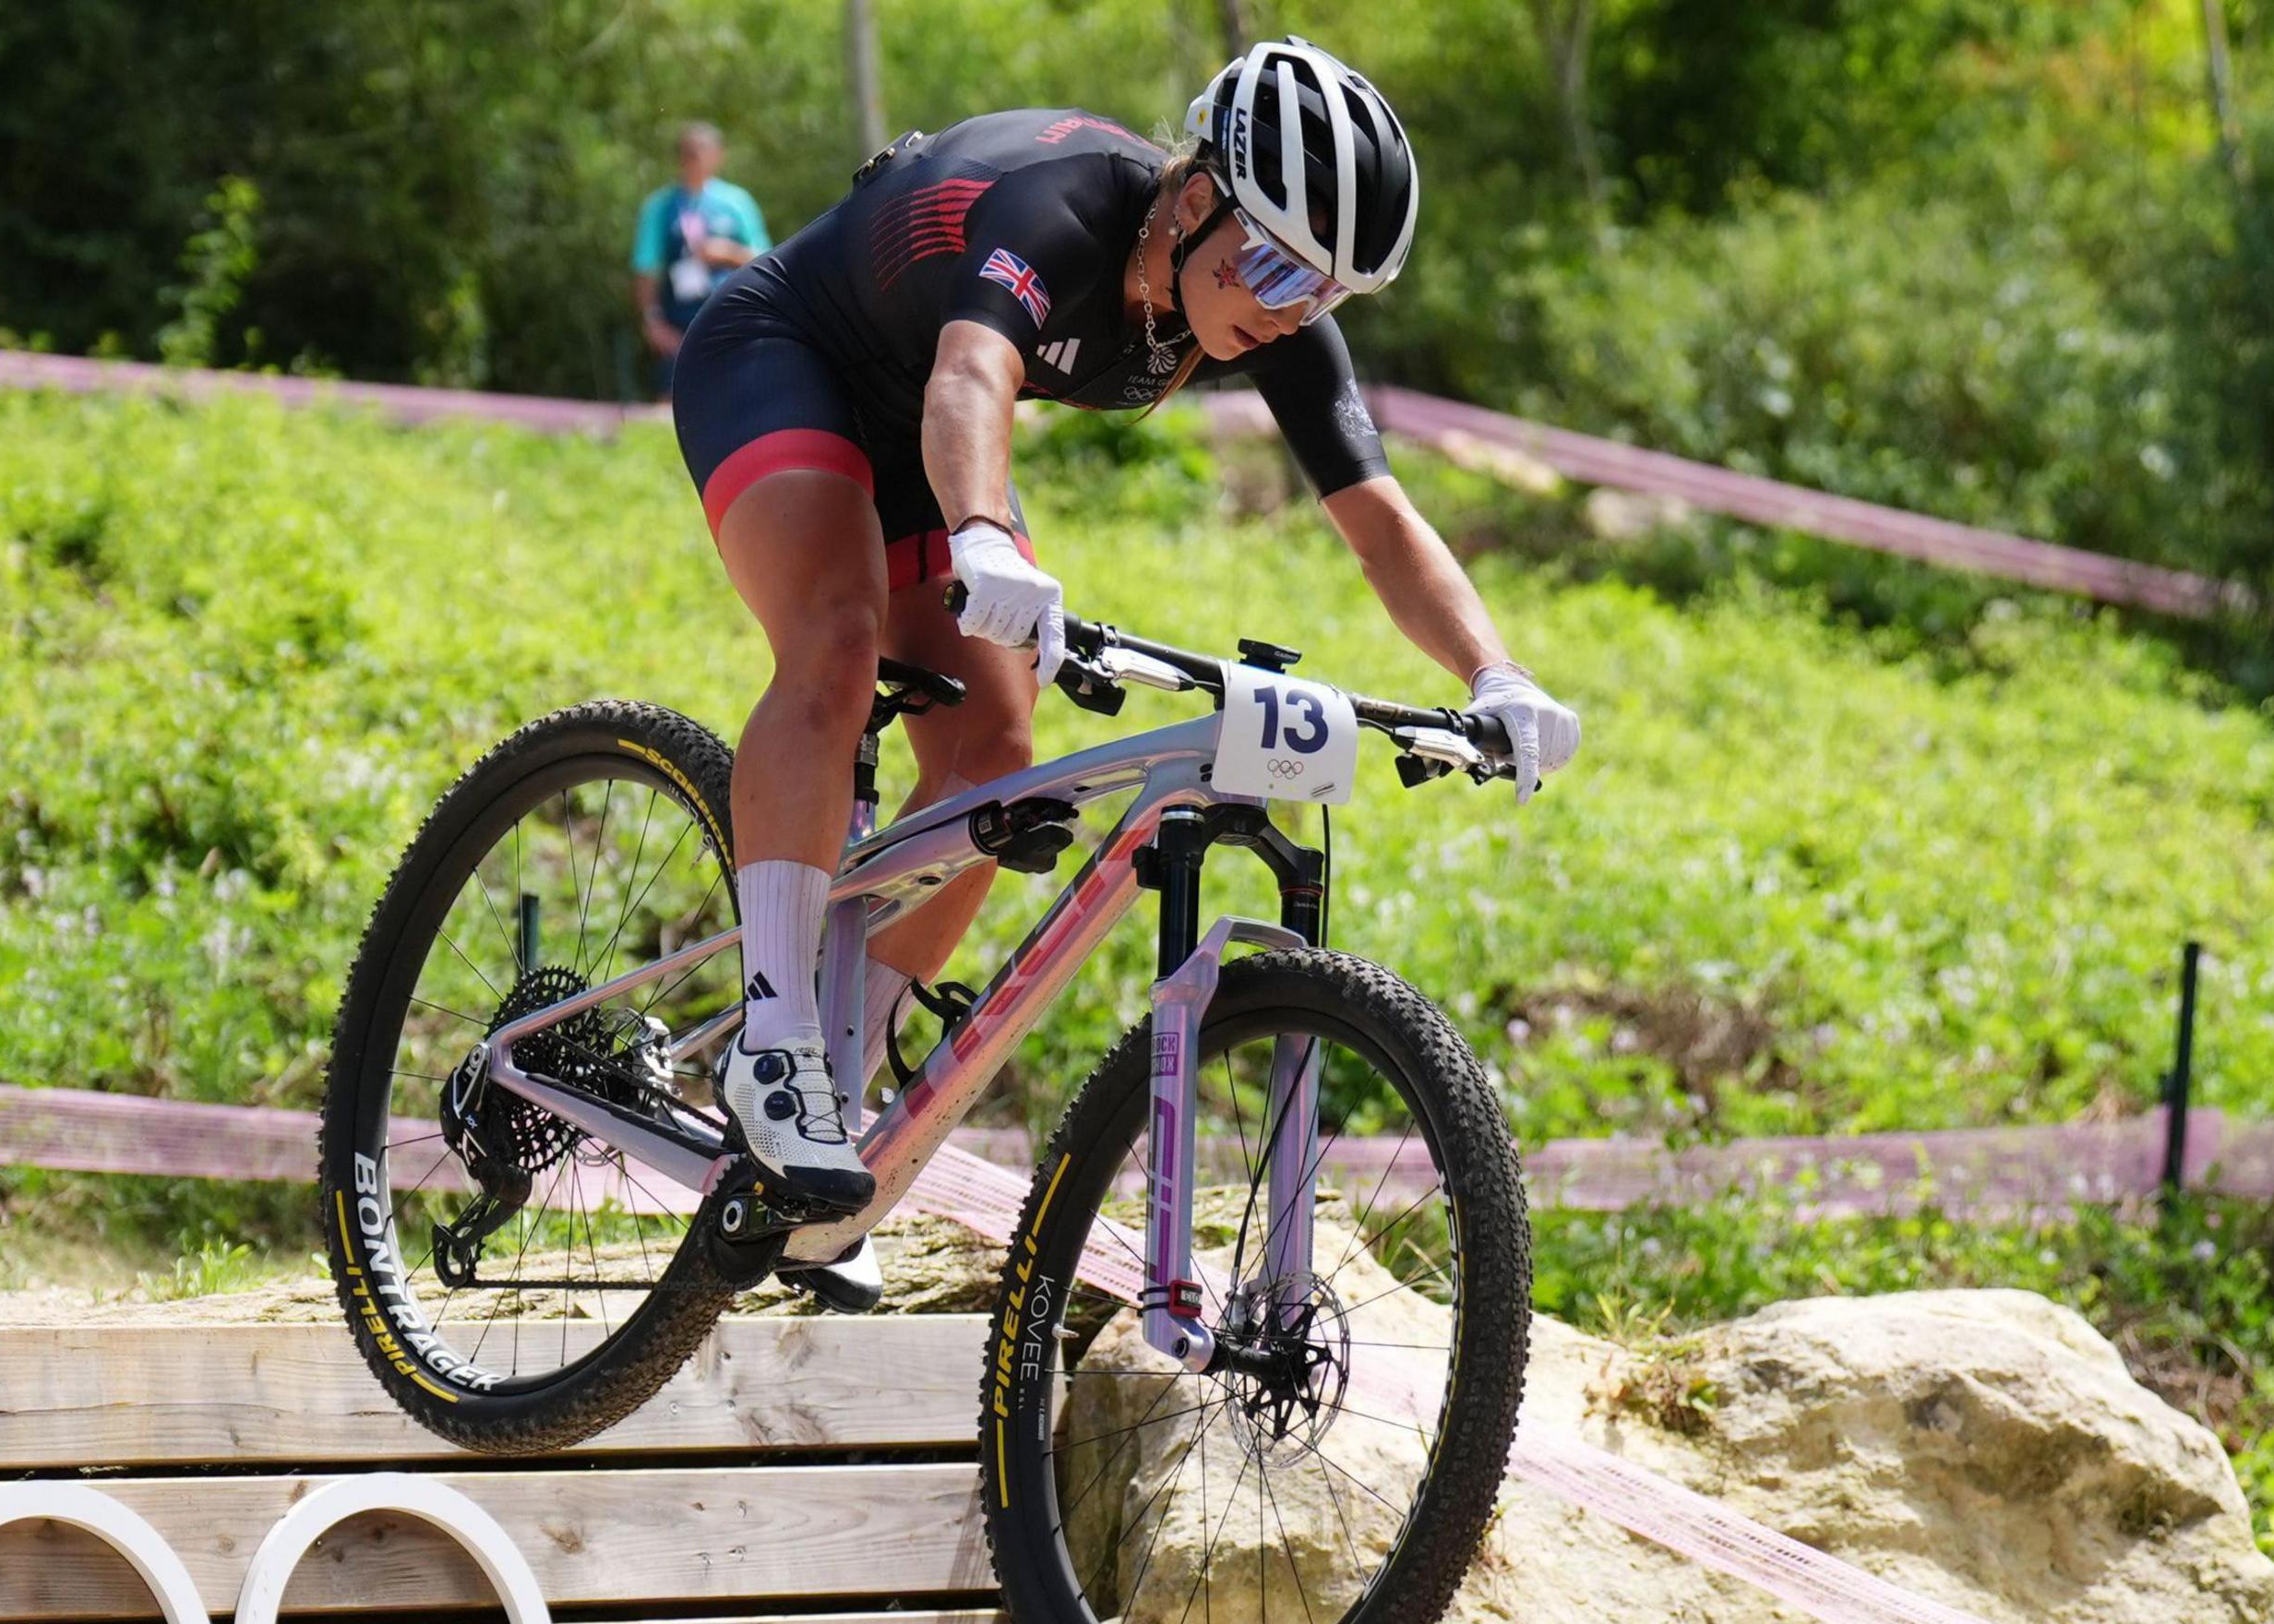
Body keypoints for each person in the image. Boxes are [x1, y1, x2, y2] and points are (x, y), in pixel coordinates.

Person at [673, 39, 1586, 1247]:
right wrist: (987, 535)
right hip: (788, 360)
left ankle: (843, 1076)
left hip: (926, 432)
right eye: (1270, 264)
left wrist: (1496, 672)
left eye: (1320, 294)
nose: (1281, 308)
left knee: (998, 750)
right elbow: (970, 371)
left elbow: (1380, 522)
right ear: (1197, 197)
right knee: (836, 642)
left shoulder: (1268, 314)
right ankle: (776, 1046)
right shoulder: (1063, 209)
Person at [631, 123, 771, 397]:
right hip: (679, 324)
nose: (694, 159)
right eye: (687, 152)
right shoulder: (660, 207)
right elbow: (644, 269)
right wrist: (653, 323)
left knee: (737, 399)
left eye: (701, 151)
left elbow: (766, 260)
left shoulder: (736, 203)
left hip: (731, 318)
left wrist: (729, 253)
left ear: (718, 155)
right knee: (673, 402)